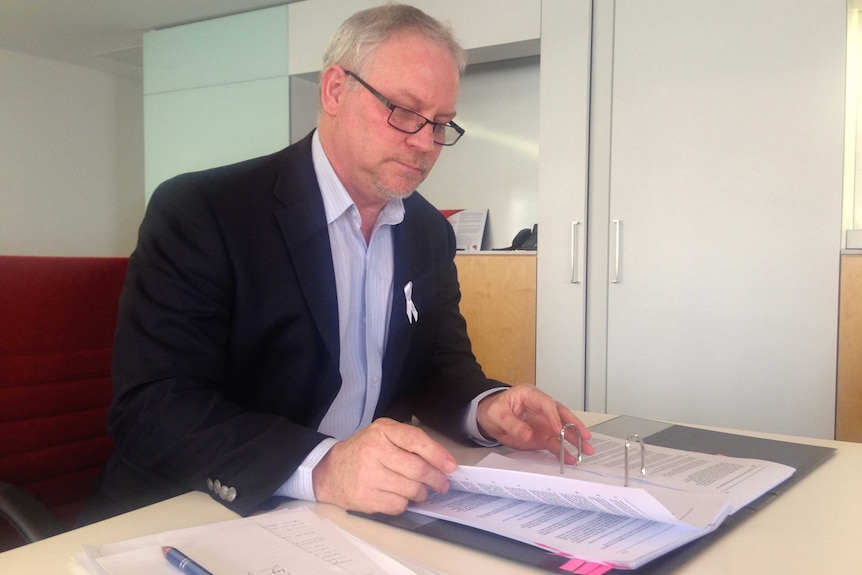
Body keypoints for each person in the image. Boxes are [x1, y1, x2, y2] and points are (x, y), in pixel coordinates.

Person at [79, 3, 593, 525]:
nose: (424, 143)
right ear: (333, 90)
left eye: (440, 124)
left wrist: (487, 408)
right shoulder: (204, 211)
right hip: (193, 508)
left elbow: (440, 369)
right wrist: (322, 467)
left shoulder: (428, 232)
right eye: (404, 110)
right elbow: (154, 405)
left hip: (352, 513)